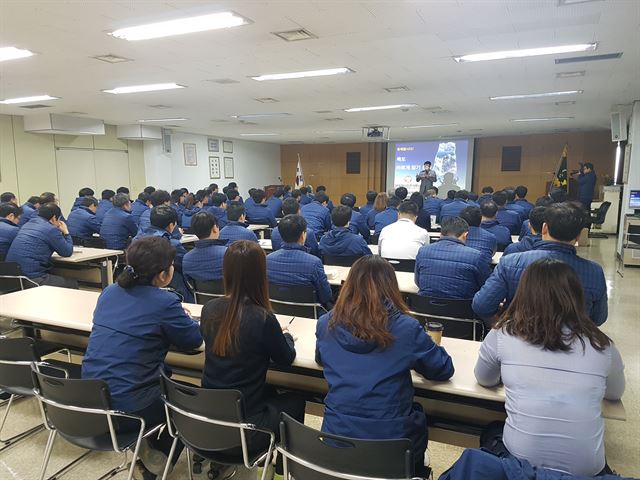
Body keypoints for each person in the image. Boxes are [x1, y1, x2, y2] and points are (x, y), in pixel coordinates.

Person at [474, 258, 624, 477]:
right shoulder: (602, 344)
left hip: (521, 467)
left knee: (491, 431)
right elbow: (614, 393)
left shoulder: (504, 334)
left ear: (523, 294)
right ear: (576, 298)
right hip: (587, 472)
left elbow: (484, 378)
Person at [316, 256, 454, 476]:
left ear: (348, 285)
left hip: (337, 442)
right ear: (391, 287)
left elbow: (321, 357)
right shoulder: (405, 328)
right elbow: (442, 369)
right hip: (391, 446)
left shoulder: (326, 323)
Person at [82, 237, 202, 478]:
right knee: (189, 402)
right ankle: (153, 468)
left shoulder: (109, 292)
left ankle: (148, 447)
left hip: (88, 398)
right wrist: (179, 318)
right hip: (129, 406)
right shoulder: (165, 302)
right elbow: (194, 342)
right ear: (162, 275)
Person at [200, 240, 305, 479]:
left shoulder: (209, 309)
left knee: (270, 391)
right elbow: (285, 358)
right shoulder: (262, 318)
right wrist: (286, 336)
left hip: (207, 419)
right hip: (245, 425)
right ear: (261, 274)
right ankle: (281, 472)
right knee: (296, 400)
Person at [473, 202, 607, 326]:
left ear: (544, 228)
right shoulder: (595, 272)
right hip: (571, 345)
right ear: (578, 236)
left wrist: (503, 321)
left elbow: (482, 305)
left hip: (519, 337)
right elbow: (598, 319)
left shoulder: (510, 262)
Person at [415, 217, 491, 299]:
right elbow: (485, 287)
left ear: (440, 233)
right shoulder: (476, 256)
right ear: (465, 235)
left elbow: (418, 281)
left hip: (424, 308)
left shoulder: (423, 251)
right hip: (463, 309)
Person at [266, 214, 332, 308]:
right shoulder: (313, 263)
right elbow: (326, 296)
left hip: (277, 310)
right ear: (303, 235)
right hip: (311, 314)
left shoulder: (267, 260)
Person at [6, 203, 76, 288]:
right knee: (72, 284)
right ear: (54, 218)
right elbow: (67, 251)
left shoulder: (27, 225)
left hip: (13, 278)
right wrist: (66, 232)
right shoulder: (51, 229)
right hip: (32, 279)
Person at [134, 205, 192, 302]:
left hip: (139, 284)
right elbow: (185, 265)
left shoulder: (138, 237)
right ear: (171, 225)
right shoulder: (171, 244)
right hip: (166, 284)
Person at [182, 211, 228, 284]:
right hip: (229, 294)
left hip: (199, 295)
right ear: (214, 228)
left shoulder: (186, 258)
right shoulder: (228, 253)